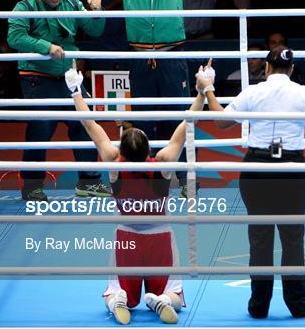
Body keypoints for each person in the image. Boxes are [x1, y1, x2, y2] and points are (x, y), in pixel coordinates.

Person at [195, 46, 305, 319]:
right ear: (291, 69)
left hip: (257, 169)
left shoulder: (253, 92)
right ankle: (298, 305)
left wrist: (208, 88)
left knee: (260, 239)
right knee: (293, 238)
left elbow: (221, 122)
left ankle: (259, 305)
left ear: (266, 68)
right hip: (291, 170)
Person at [64, 63, 208, 325]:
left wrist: (75, 90)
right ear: (147, 148)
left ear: (122, 151)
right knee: (173, 294)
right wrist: (201, 90)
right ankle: (161, 300)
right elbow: (187, 125)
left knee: (116, 294)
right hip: (160, 238)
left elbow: (90, 124)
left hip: (126, 238)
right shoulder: (163, 163)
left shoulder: (113, 164)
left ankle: (119, 300)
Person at [102, 0, 195, 195]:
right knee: (142, 123)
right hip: (140, 56)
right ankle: (141, 181)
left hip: (172, 55)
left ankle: (183, 180)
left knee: (177, 121)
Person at [7, 0, 108, 202]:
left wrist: (97, 10)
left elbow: (95, 31)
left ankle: (89, 182)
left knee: (85, 123)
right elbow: (14, 37)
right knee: (40, 128)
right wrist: (46, 47)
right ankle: (32, 186)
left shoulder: (72, 4)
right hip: (38, 78)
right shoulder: (25, 7)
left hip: (69, 78)